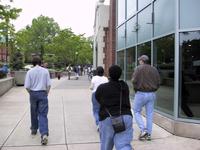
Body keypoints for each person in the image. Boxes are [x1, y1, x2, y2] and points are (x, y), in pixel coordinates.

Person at [95, 65, 133, 150]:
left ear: (109, 74)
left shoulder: (102, 87)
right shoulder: (124, 86)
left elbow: (97, 99)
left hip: (108, 118)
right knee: (123, 145)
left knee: (106, 146)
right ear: (120, 74)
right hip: (126, 117)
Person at [132, 55, 160, 141]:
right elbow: (158, 82)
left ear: (142, 61)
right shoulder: (154, 69)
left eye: (139, 60)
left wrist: (136, 89)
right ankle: (149, 134)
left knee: (136, 111)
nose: (139, 62)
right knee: (150, 114)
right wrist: (154, 89)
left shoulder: (138, 68)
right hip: (151, 94)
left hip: (141, 93)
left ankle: (143, 130)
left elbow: (134, 80)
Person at [24, 56, 51, 145]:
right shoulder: (45, 71)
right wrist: (46, 93)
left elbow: (27, 86)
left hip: (33, 93)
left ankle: (34, 130)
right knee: (43, 114)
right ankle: (44, 134)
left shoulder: (30, 72)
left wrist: (31, 93)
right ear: (40, 62)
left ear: (33, 63)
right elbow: (48, 85)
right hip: (43, 93)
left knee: (33, 112)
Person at [90, 66, 108, 131]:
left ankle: (98, 124)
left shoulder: (94, 78)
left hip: (95, 94)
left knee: (96, 110)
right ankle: (103, 123)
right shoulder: (105, 78)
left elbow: (91, 87)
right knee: (103, 109)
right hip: (104, 95)